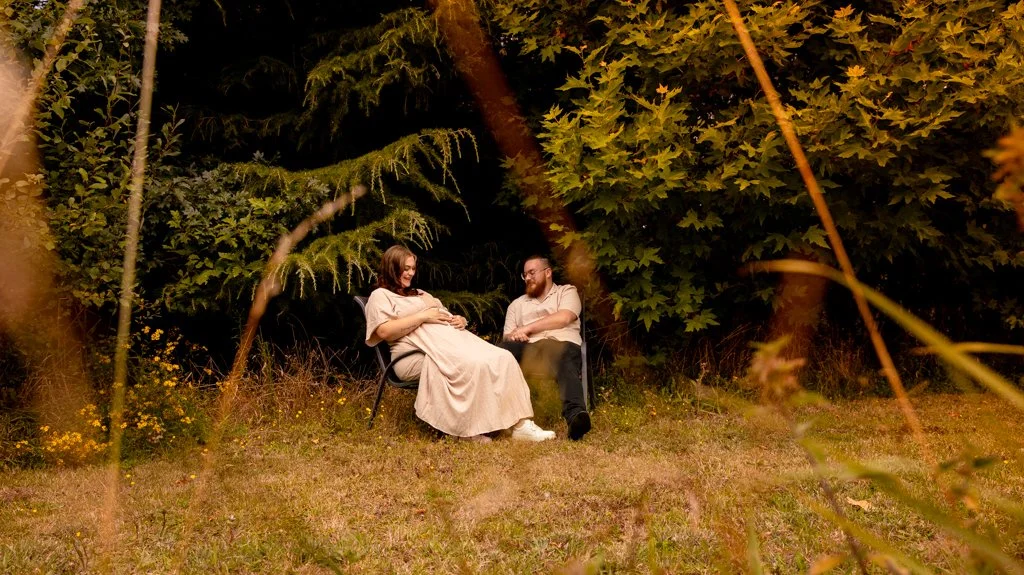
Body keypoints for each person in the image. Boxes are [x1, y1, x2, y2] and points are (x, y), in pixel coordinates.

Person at [363, 245, 555, 442]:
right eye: (406, 268)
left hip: (452, 345)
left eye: (413, 268)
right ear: (391, 267)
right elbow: (385, 331)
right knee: (470, 365)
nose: (411, 273)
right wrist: (423, 316)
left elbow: (442, 313)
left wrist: (459, 319)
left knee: (502, 357)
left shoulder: (419, 293)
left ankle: (520, 425)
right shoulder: (380, 296)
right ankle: (465, 430)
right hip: (415, 355)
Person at [500, 255, 591, 440]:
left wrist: (526, 328)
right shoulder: (516, 305)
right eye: (524, 274)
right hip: (531, 348)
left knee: (564, 355)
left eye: (532, 272)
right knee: (502, 353)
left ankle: (575, 418)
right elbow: (507, 336)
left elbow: (564, 318)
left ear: (548, 272)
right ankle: (504, 421)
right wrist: (515, 336)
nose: (527, 278)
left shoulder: (566, 292)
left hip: (562, 344)